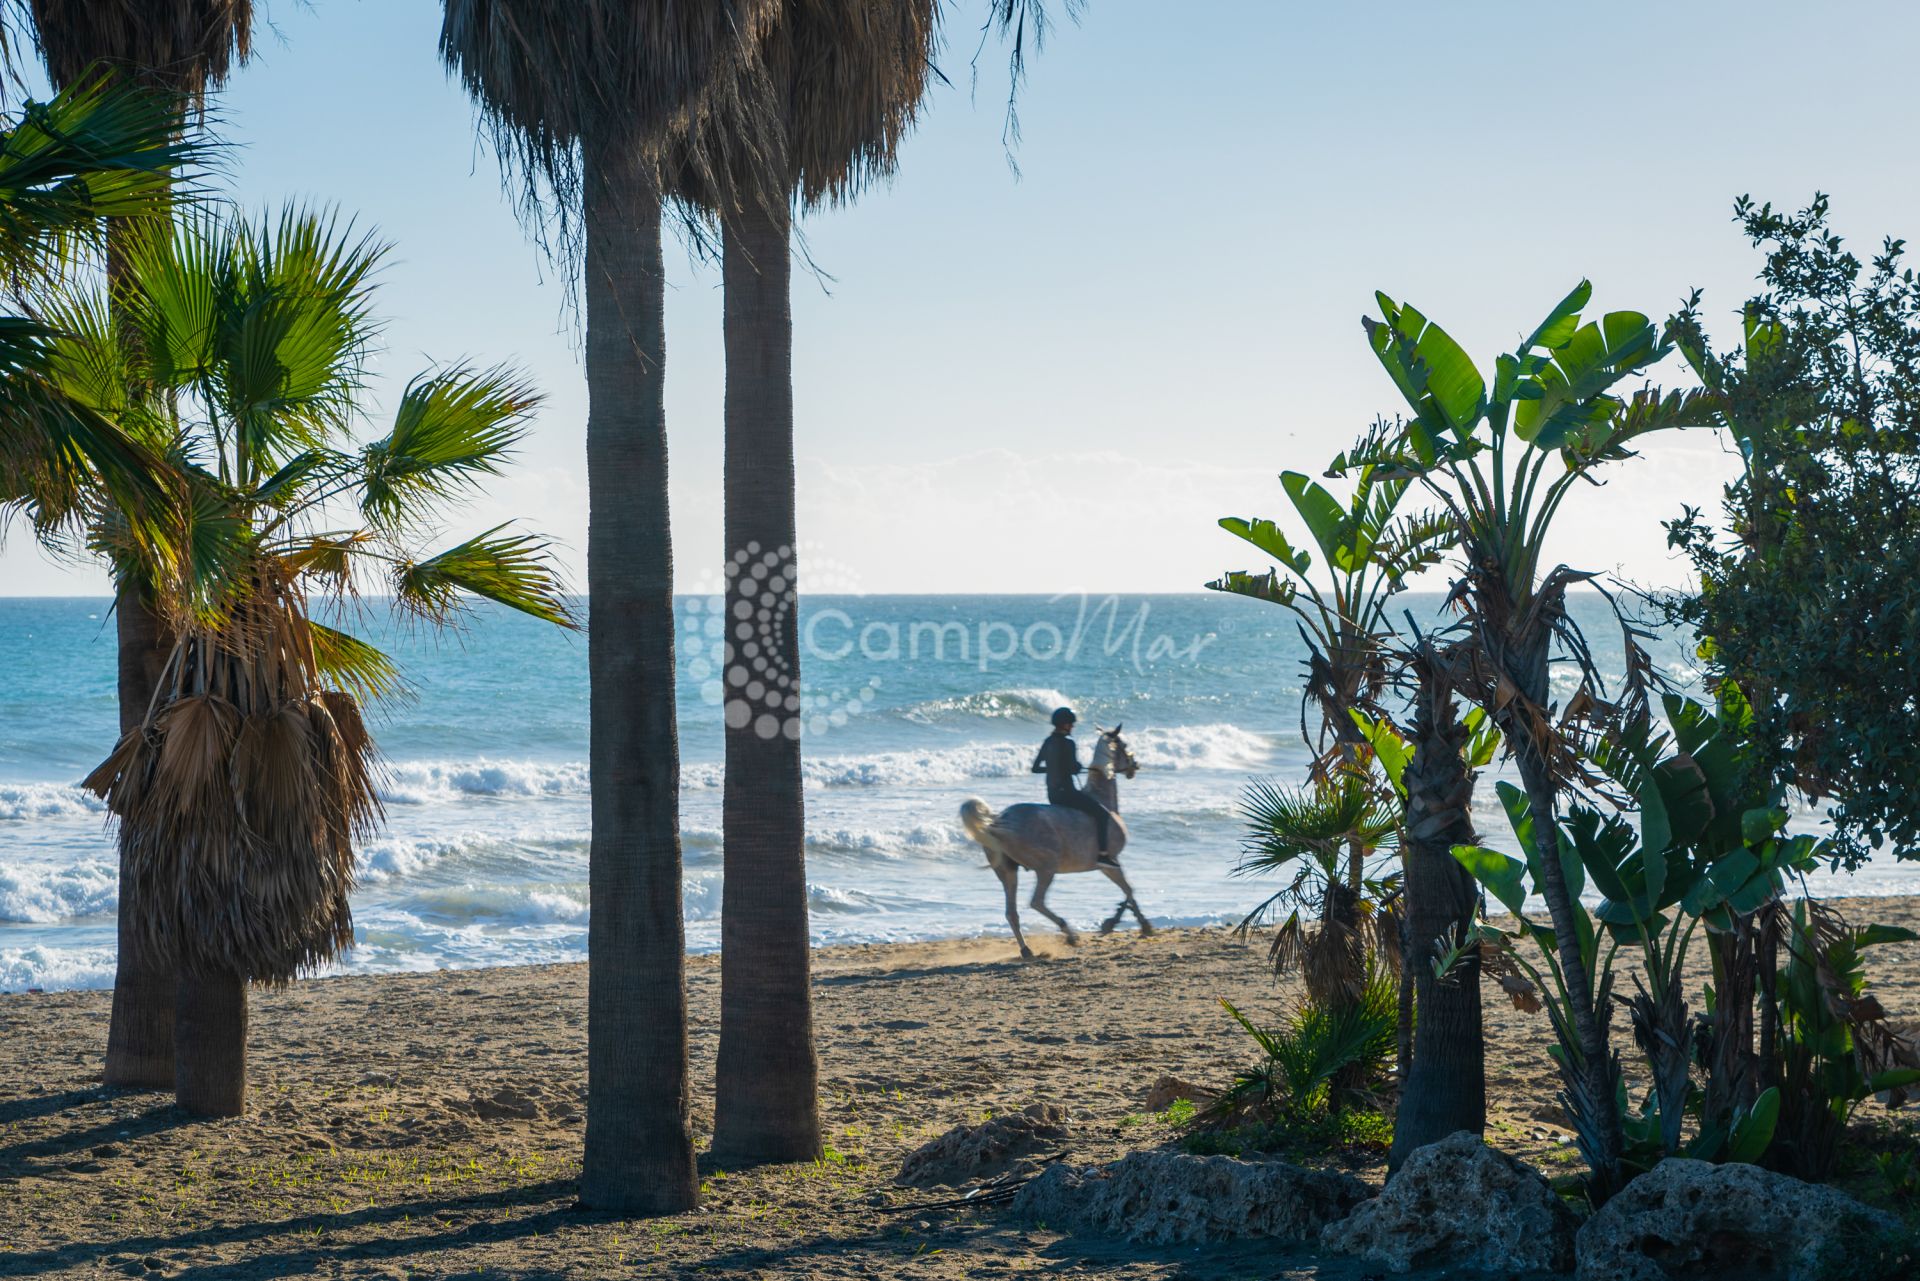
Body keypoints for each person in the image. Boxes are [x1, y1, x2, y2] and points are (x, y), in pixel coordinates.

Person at [1033, 706, 1118, 866]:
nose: (1072, 727)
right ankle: (1103, 855)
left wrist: (1053, 768)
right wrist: (1077, 767)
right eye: (1071, 724)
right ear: (1064, 725)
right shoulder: (1069, 742)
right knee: (1103, 814)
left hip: (1052, 795)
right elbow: (1072, 768)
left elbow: (1035, 768)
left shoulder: (1048, 741)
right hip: (1067, 794)